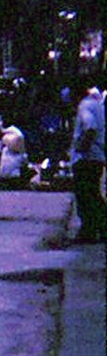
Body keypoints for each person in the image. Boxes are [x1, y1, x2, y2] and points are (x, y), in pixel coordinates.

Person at [69, 81, 105, 243]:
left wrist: (81, 150)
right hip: (97, 157)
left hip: (87, 158)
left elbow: (91, 128)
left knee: (84, 196)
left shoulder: (84, 107)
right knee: (94, 194)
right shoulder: (97, 105)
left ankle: (88, 230)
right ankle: (101, 228)